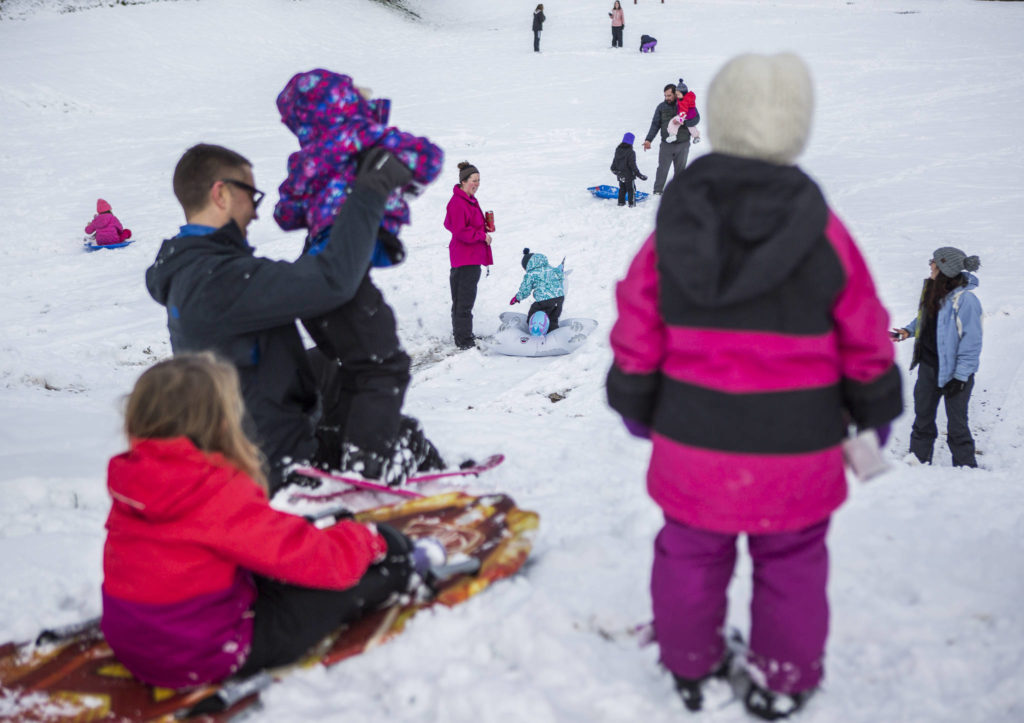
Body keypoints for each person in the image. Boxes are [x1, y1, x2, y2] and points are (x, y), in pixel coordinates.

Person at [607, 53, 902, 719]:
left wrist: (636, 403)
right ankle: (786, 676)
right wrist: (872, 413)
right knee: (792, 562)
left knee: (689, 554)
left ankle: (692, 665)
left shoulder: (674, 231)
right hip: (798, 449)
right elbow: (866, 333)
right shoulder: (826, 233)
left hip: (693, 443)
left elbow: (637, 323)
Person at [100, 353, 427, 689]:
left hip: (133, 643)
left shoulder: (133, 479)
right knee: (360, 579)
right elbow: (318, 561)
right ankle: (402, 567)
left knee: (275, 569)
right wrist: (376, 541)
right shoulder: (212, 489)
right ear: (222, 424)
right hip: (202, 654)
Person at [146, 142, 438, 496]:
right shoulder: (217, 277)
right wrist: (371, 189)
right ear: (221, 193)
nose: (255, 213)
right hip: (273, 462)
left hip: (251, 431)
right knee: (383, 366)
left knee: (332, 368)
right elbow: (332, 282)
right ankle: (376, 477)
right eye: (251, 196)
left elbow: (305, 284)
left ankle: (387, 454)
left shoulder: (195, 269)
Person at [273, 70, 445, 485]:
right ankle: (366, 462)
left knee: (352, 364)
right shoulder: (363, 137)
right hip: (345, 275)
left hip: (311, 277)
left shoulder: (308, 157)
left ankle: (337, 448)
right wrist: (375, 137)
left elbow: (285, 214)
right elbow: (430, 158)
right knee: (385, 366)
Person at [892, 247, 982, 467]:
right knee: (922, 418)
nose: (930, 265)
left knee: (957, 423)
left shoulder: (965, 300)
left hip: (955, 373)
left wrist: (960, 377)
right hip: (928, 367)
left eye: (933, 261)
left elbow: (972, 343)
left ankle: (966, 468)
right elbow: (924, 319)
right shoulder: (933, 291)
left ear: (944, 267)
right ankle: (918, 462)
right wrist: (907, 331)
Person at [444, 161, 494, 350]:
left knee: (461, 299)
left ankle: (463, 334)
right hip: (465, 258)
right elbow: (459, 230)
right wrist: (481, 235)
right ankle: (464, 341)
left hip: (469, 256)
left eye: (479, 180)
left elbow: (452, 224)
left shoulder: (469, 199)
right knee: (464, 301)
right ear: (463, 181)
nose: (477, 183)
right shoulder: (458, 202)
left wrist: (484, 227)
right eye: (473, 180)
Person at [643, 82, 692, 195]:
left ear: (675, 94)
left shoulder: (685, 105)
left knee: (680, 170)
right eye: (665, 96)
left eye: (669, 95)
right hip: (666, 145)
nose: (667, 98)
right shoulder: (661, 107)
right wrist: (648, 140)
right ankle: (658, 191)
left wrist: (685, 120)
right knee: (662, 169)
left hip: (683, 144)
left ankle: (679, 192)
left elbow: (695, 119)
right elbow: (655, 124)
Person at [511, 248, 565, 332]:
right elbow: (561, 276)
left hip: (544, 300)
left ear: (527, 266)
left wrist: (517, 297)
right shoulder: (551, 268)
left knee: (534, 314)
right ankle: (553, 332)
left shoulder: (531, 274)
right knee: (553, 318)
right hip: (559, 299)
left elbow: (525, 289)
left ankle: (534, 331)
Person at [610, 132, 648, 207]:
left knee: (622, 189)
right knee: (631, 190)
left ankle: (621, 202)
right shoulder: (631, 152)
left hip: (620, 175)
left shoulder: (618, 150)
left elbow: (614, 163)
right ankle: (632, 204)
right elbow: (633, 166)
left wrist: (617, 172)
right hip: (628, 176)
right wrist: (640, 175)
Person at [665, 78, 701, 144]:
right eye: (676, 94)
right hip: (690, 116)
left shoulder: (685, 101)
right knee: (691, 126)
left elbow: (683, 112)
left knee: (673, 122)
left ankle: (672, 135)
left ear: (683, 93)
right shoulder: (685, 98)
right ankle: (696, 137)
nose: (677, 96)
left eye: (678, 94)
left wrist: (680, 120)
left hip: (686, 115)